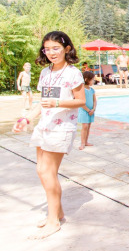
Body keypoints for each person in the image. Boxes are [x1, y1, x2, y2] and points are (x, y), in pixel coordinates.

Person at [12, 31, 85, 239]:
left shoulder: (73, 73)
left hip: (61, 128)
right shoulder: (45, 73)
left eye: (56, 48)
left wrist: (57, 103)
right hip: (44, 125)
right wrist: (27, 119)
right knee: (41, 170)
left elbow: (81, 101)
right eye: (48, 49)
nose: (51, 52)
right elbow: (42, 103)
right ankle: (58, 213)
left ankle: (53, 221)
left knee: (47, 172)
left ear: (67, 49)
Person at [78, 71, 97, 150]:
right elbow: (80, 102)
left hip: (91, 111)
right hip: (84, 111)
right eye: (92, 79)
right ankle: (82, 143)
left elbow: (94, 100)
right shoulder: (81, 89)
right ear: (86, 79)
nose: (93, 81)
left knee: (88, 126)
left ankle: (86, 141)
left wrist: (93, 109)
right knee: (84, 126)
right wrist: (88, 110)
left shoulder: (92, 90)